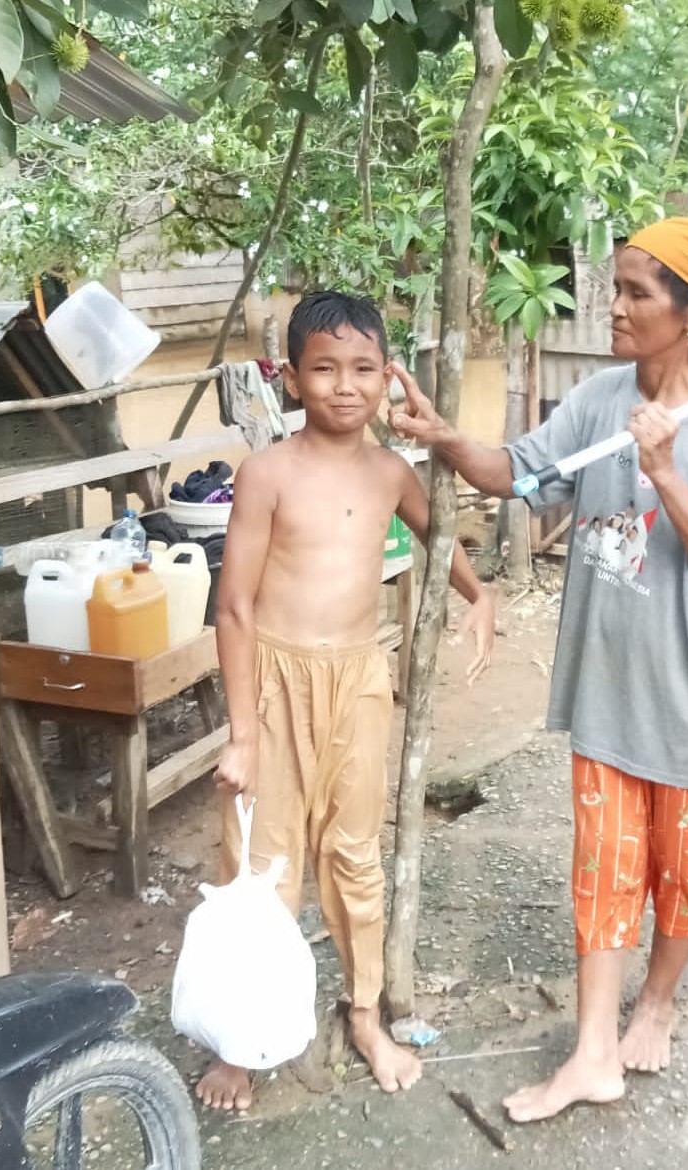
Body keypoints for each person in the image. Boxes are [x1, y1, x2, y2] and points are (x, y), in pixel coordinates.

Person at [392, 216, 688, 1123]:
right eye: (618, 286)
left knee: (685, 879)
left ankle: (659, 1001)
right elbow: (517, 474)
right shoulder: (600, 400)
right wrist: (444, 437)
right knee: (603, 875)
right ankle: (592, 1050)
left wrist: (666, 472)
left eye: (639, 293)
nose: (617, 306)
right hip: (607, 691)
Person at [198, 291, 497, 1112]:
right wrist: (243, 733)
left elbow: (439, 538)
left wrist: (479, 596)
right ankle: (242, 1041)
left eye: (363, 368)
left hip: (360, 682)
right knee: (260, 865)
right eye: (324, 368)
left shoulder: (390, 471)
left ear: (387, 378)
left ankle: (364, 1014)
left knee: (357, 857)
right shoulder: (267, 474)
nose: (344, 386)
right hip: (276, 682)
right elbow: (234, 608)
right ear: (291, 379)